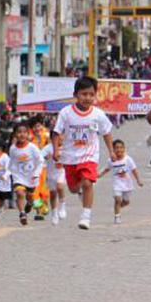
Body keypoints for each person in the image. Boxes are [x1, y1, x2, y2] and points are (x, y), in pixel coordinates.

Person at [52, 76, 115, 231]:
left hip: (89, 155)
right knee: (73, 189)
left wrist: (111, 151)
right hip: (69, 156)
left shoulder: (98, 114)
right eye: (84, 94)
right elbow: (56, 132)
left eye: (91, 94)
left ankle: (86, 216)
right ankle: (79, 191)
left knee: (87, 182)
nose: (88, 98)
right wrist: (55, 150)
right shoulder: (66, 113)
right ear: (76, 94)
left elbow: (106, 133)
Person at [99, 139, 143, 224]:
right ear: (113, 149)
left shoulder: (128, 159)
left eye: (121, 147)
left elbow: (134, 170)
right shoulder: (111, 160)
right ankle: (117, 216)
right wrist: (99, 175)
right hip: (117, 184)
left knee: (126, 202)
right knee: (117, 199)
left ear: (124, 148)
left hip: (127, 184)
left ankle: (118, 207)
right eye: (116, 148)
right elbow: (107, 169)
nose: (119, 149)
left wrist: (138, 180)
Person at [8, 122, 44, 226]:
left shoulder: (32, 147)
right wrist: (10, 173)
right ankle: (22, 213)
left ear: (28, 134)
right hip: (18, 176)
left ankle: (30, 203)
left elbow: (40, 160)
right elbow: (12, 162)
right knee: (19, 193)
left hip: (31, 177)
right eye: (19, 132)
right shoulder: (12, 148)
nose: (22, 134)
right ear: (15, 134)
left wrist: (36, 173)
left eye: (24, 132)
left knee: (30, 196)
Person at [42, 141, 67, 225]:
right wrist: (46, 157)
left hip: (61, 171)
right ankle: (54, 214)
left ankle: (62, 206)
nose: (61, 138)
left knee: (60, 187)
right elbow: (40, 157)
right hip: (51, 173)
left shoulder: (66, 146)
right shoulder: (48, 148)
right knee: (53, 194)